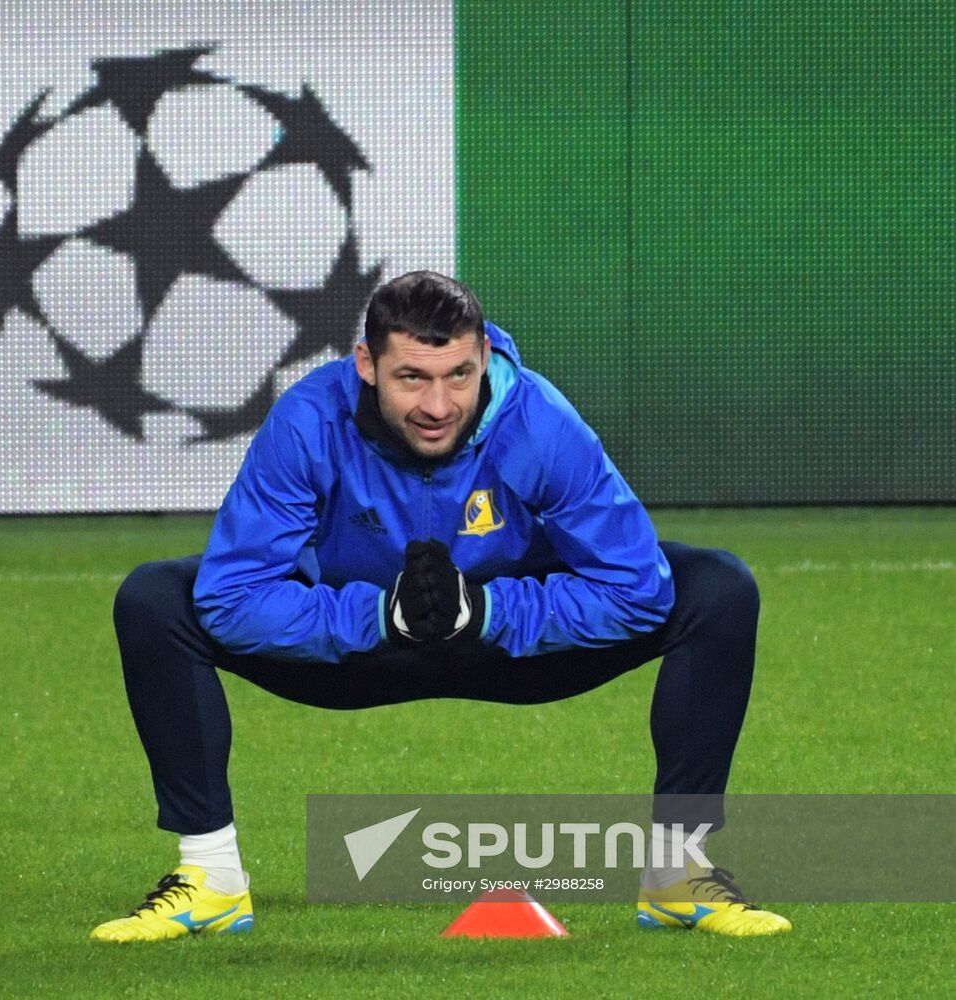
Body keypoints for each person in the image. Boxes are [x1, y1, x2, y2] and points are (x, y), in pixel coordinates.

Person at [90, 270, 791, 942]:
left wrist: (488, 611)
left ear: (484, 355)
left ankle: (678, 874)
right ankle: (210, 877)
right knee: (157, 599)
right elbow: (231, 597)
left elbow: (640, 588)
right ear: (366, 364)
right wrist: (375, 615)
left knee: (718, 589)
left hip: (507, 646)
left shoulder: (539, 422)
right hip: (362, 649)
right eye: (412, 378)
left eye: (459, 374)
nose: (438, 405)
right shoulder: (308, 421)